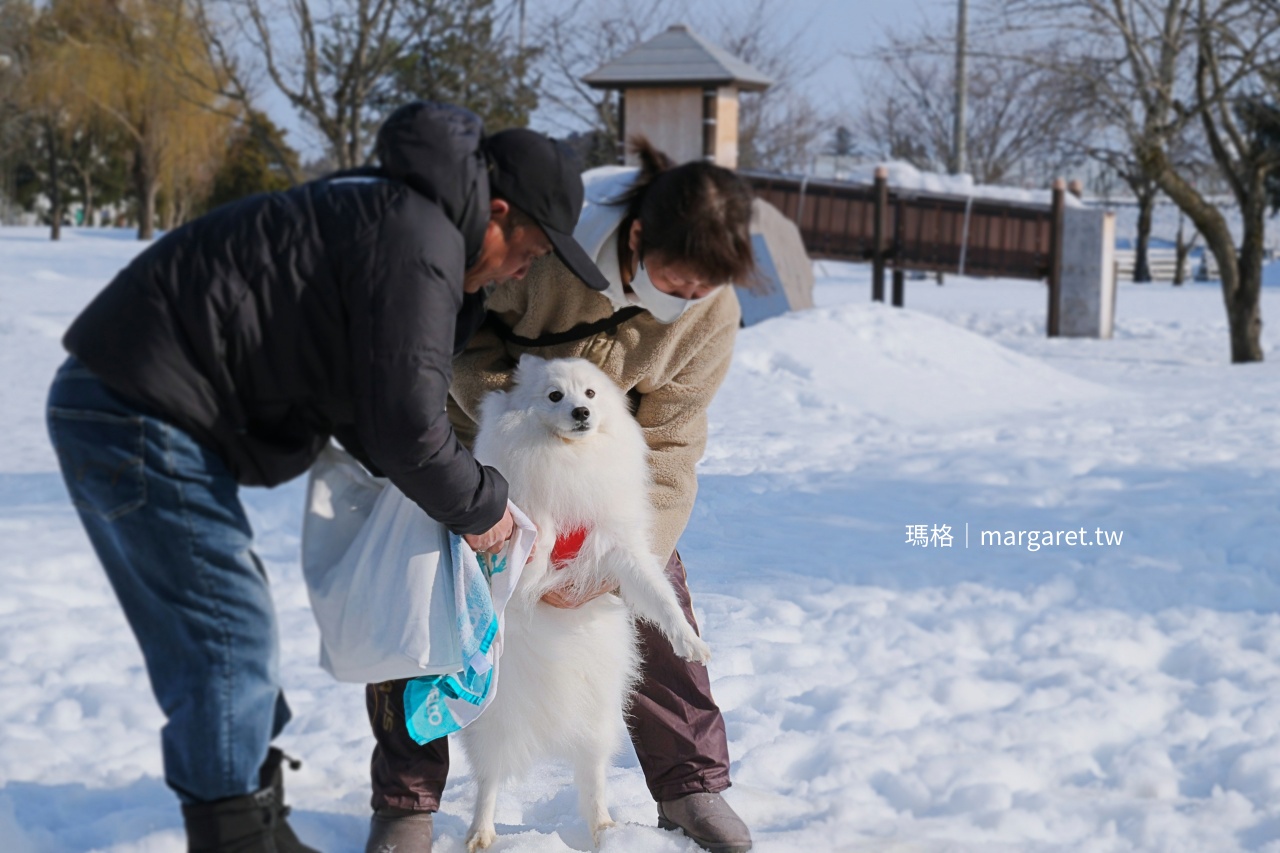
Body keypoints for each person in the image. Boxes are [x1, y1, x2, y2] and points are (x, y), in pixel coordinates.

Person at [45, 100, 610, 853]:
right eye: (530, 251)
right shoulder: (420, 236)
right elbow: (405, 426)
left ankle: (255, 820)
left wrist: (439, 474)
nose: (521, 271)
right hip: (135, 406)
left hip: (144, 403)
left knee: (232, 624)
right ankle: (235, 836)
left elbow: (371, 398)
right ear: (497, 212)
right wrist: (484, 507)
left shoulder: (404, 217)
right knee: (224, 635)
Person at [364, 138, 758, 853]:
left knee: (662, 597)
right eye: (681, 279)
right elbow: (461, 342)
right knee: (420, 601)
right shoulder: (546, 246)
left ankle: (690, 782)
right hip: (475, 445)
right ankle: (406, 798)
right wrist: (517, 427)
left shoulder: (711, 313)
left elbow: (672, 437)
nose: (693, 298)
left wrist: (633, 542)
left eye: (709, 288)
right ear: (637, 238)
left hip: (598, 472)